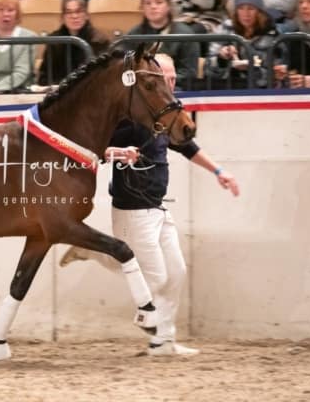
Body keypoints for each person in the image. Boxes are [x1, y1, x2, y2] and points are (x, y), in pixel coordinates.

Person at [60, 53, 240, 356]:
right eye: (162, 78)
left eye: (170, 77)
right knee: (154, 277)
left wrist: (219, 172)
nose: (168, 82)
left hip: (157, 206)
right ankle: (93, 249)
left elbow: (188, 148)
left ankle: (163, 341)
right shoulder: (130, 118)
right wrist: (118, 151)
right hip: (132, 209)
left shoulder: (164, 117)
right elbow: (91, 147)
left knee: (176, 272)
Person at [207, 0, 287, 89]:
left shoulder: (272, 36)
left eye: (251, 8)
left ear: (259, 11)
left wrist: (252, 69)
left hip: (259, 95)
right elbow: (207, 71)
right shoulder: (225, 29)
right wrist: (221, 59)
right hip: (227, 91)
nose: (246, 14)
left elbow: (276, 76)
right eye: (241, 8)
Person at [123, 0, 199, 90]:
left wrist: (161, 80)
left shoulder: (185, 34)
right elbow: (127, 70)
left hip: (174, 90)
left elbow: (189, 73)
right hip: (142, 91)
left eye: (158, 2)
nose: (153, 7)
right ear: (142, 7)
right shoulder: (133, 35)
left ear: (168, 6)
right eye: (148, 3)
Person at [37, 0, 110, 85]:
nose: (74, 16)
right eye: (69, 12)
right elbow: (44, 77)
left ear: (86, 15)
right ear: (63, 17)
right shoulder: (54, 41)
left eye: (79, 11)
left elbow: (104, 77)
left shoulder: (99, 41)